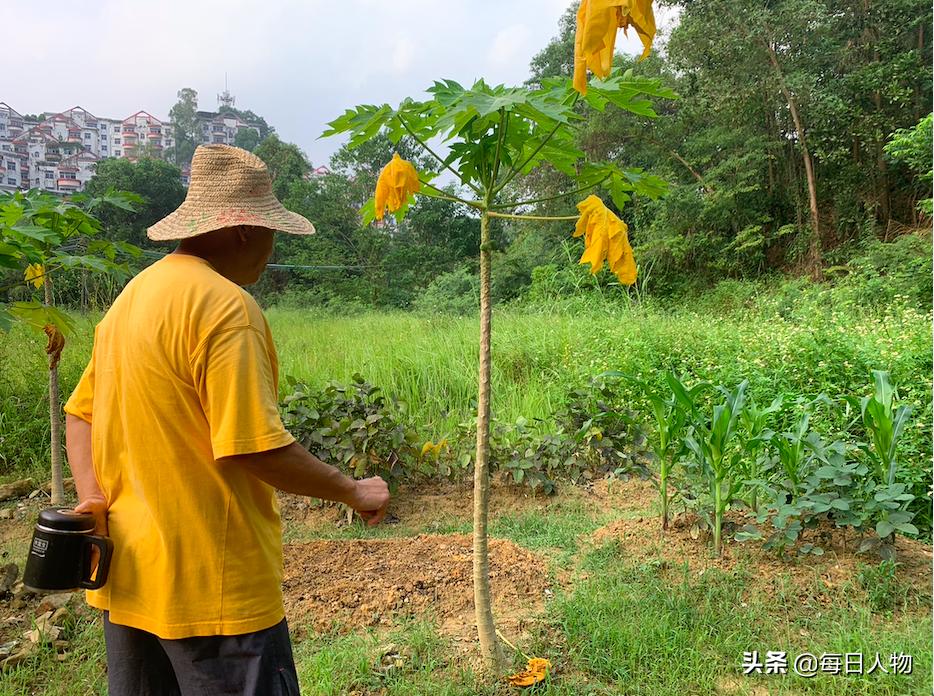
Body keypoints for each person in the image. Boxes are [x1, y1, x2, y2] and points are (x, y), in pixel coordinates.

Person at [64, 144, 390, 696]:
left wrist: (92, 496)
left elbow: (80, 415)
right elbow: (251, 446)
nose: (270, 248)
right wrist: (353, 490)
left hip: (128, 577)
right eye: (271, 231)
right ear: (244, 229)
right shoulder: (226, 308)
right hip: (214, 592)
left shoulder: (131, 299)